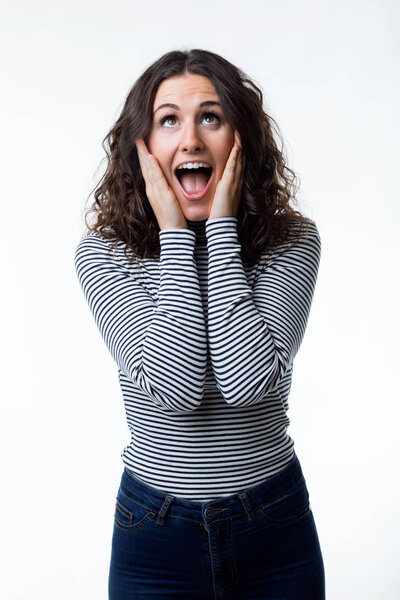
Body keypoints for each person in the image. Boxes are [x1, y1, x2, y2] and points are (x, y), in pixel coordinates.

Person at [74, 48, 325, 600]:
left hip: (275, 528)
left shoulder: (292, 243)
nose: (190, 139)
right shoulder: (104, 256)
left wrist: (222, 230)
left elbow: (247, 382)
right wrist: (175, 234)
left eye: (210, 117)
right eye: (169, 121)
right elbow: (175, 388)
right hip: (155, 536)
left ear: (241, 139)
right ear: (140, 148)